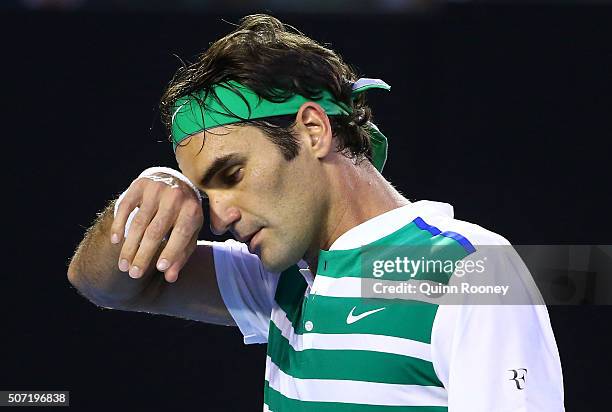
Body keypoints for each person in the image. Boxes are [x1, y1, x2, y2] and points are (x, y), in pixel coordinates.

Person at [68, 14, 565, 411]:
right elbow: (100, 284)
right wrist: (154, 195)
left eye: (232, 174)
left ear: (312, 130)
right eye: (204, 193)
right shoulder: (282, 275)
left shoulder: (473, 270)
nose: (217, 218)